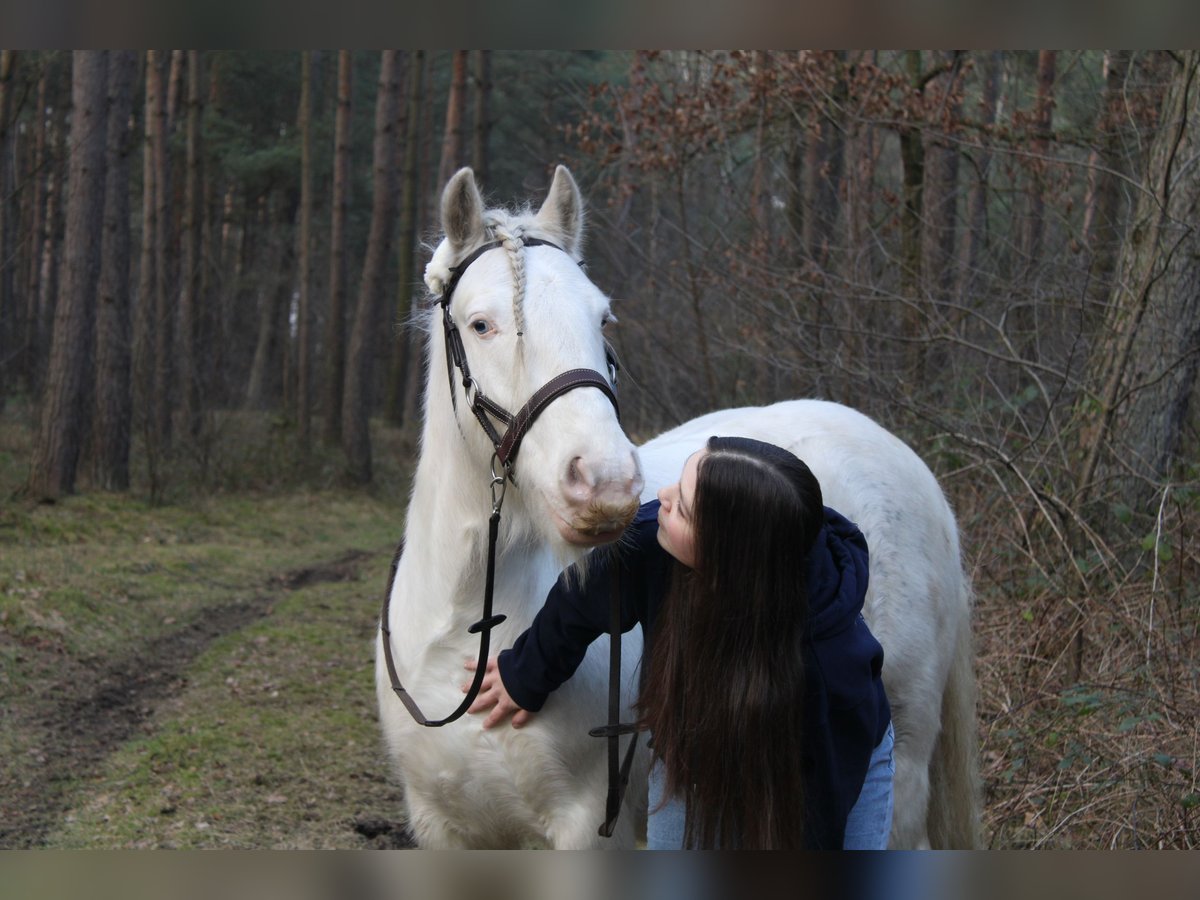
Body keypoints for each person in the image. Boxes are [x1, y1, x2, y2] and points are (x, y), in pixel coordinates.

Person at [467, 436, 893, 850]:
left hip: (810, 771)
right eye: (680, 482)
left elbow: (815, 824)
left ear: (728, 558)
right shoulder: (655, 540)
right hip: (695, 748)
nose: (663, 496)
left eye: (684, 508)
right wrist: (525, 673)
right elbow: (580, 598)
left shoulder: (828, 670)